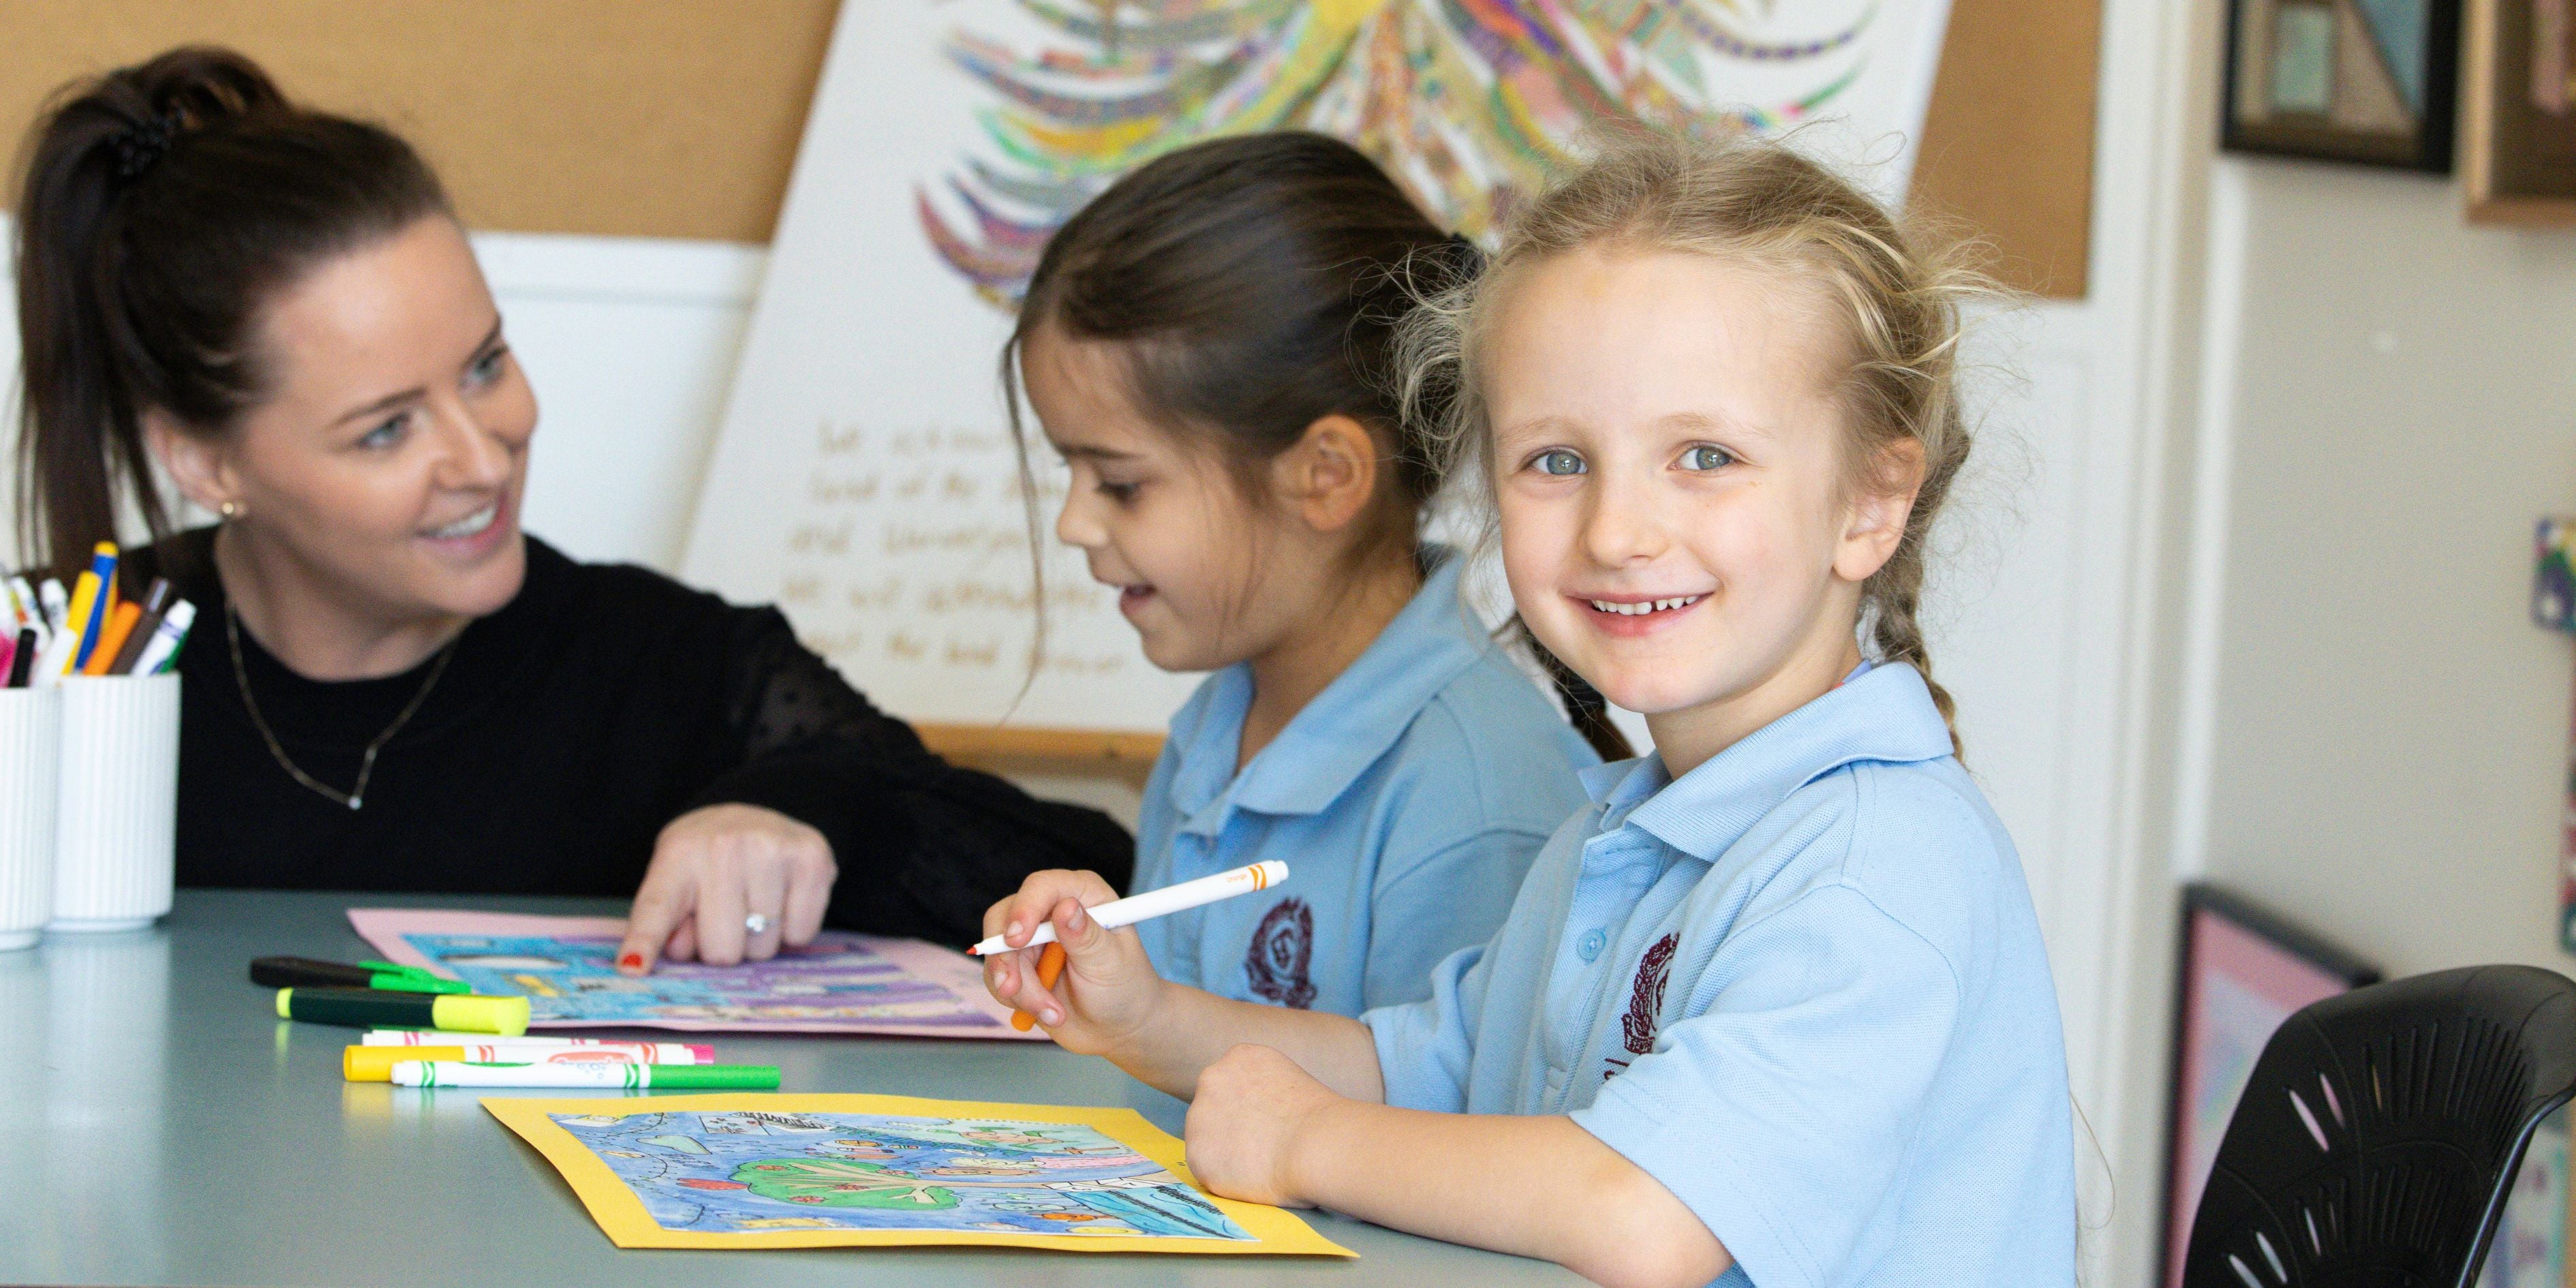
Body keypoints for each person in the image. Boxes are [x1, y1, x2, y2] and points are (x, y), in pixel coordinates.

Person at [981, 134, 2076, 1287]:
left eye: (1703, 455)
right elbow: (1414, 1069)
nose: (1615, 530)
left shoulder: (1874, 870)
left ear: (1871, 500)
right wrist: (1146, 1016)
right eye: (1556, 461)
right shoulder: (1626, 832)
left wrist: (1305, 1139)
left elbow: (1646, 1212)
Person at [10, 46, 1131, 966]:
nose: (482, 457)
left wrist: (807, 807)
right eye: (388, 428)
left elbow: (1104, 879)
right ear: (205, 463)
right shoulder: (48, 666)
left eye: (486, 364)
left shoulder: (675, 667)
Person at [1004, 133, 1606, 1015]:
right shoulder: (1215, 725)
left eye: (1121, 483)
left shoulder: (1473, 800)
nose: (1074, 522)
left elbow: (1452, 1137)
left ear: (1326, 475)